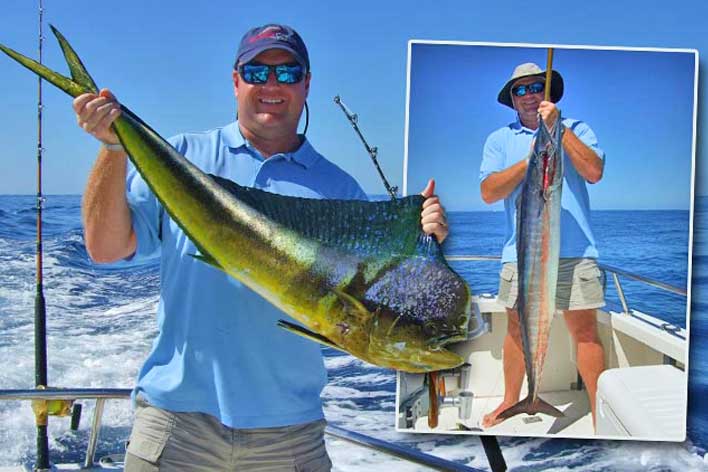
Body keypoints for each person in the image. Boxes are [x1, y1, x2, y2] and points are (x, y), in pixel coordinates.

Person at [74, 24, 449, 471]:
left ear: (307, 84)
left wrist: (424, 242)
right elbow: (105, 248)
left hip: (289, 436)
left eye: (288, 73)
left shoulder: (340, 189)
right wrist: (113, 149)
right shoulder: (183, 156)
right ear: (236, 81)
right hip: (176, 427)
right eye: (257, 71)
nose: (272, 85)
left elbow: (384, 293)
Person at [479, 62, 606, 429]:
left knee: (585, 331)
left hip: (575, 253)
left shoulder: (576, 129)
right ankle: (512, 400)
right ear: (512, 99)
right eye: (521, 90)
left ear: (548, 93)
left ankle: (601, 414)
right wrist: (533, 156)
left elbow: (594, 172)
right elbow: (489, 192)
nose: (530, 94)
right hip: (519, 253)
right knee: (516, 330)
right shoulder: (499, 140)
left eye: (537, 87)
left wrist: (558, 130)